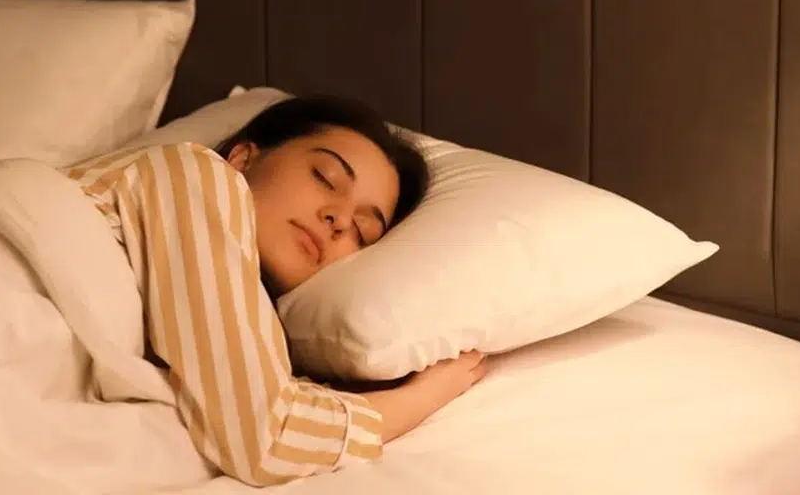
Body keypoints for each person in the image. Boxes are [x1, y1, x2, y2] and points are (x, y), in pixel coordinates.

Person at [65, 95, 488, 487]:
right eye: (325, 178)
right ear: (243, 157)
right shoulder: (193, 172)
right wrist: (421, 398)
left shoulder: (227, 328)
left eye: (362, 231)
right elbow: (265, 436)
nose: (339, 219)